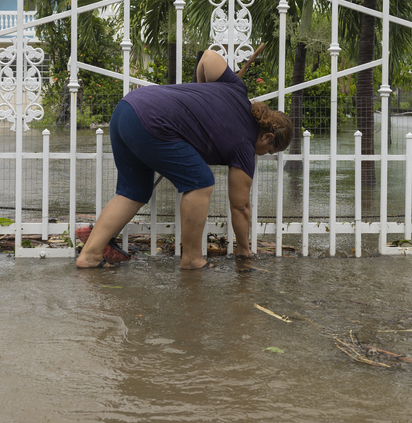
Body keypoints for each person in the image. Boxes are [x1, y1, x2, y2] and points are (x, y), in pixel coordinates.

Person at [76, 49, 293, 270]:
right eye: (269, 151)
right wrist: (244, 250)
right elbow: (241, 207)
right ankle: (192, 259)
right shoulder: (244, 146)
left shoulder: (236, 89)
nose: (262, 155)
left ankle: (90, 255)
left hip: (127, 108)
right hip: (152, 121)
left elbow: (208, 57)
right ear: (267, 137)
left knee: (133, 192)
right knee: (200, 182)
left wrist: (203, 93)